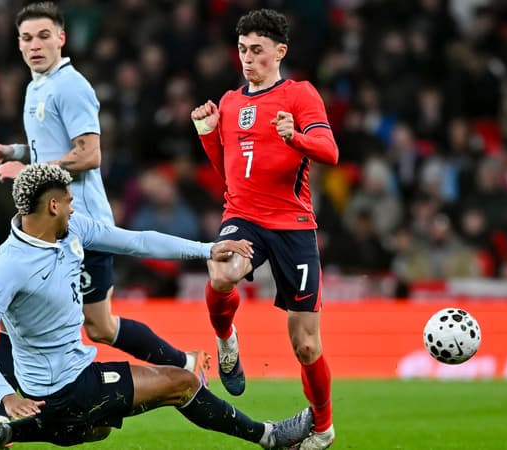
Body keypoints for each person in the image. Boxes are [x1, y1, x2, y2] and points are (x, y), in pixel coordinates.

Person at [0, 164, 313, 450]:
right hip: (67, 387)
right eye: (69, 200)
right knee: (181, 384)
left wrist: (206, 250)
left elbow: (137, 242)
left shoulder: (71, 230)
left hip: (58, 387)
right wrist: (5, 395)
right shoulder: (11, 264)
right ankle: (270, 437)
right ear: (53, 205)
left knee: (98, 428)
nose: (74, 206)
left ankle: (7, 430)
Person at [0, 2, 209, 423]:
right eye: (27, 38)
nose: (35, 45)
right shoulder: (36, 88)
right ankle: (2, 417)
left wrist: (27, 170)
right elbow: (51, 148)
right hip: (53, 222)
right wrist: (12, 151)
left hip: (77, 225)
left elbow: (89, 154)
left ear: (62, 38)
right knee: (52, 321)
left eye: (44, 36)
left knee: (93, 326)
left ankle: (184, 365)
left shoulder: (71, 86)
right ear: (18, 43)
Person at [190, 9, 337, 449]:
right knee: (221, 273)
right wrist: (207, 134)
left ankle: (324, 427)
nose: (248, 59)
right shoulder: (231, 103)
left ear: (279, 52)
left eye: (256, 50)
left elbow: (329, 151)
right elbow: (230, 175)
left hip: (293, 224)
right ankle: (226, 339)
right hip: (244, 215)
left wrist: (296, 138)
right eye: (241, 50)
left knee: (306, 345)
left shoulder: (300, 95)